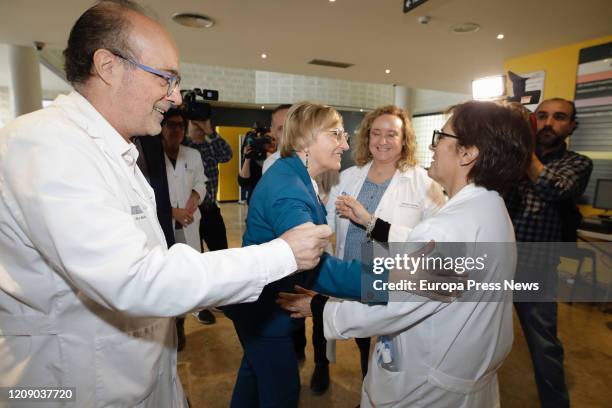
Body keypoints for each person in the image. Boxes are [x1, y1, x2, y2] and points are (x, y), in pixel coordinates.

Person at [0, 2, 330, 407]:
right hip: (75, 384)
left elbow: (424, 273)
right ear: (107, 66)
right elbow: (137, 278)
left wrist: (344, 298)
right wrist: (290, 261)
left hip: (135, 374)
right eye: (166, 79)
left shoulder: (115, 151)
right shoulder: (48, 144)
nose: (175, 97)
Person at [278, 101, 533, 407]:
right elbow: (419, 247)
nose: (433, 146)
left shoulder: (449, 227)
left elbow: (394, 305)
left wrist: (320, 307)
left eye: (442, 137)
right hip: (462, 371)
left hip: (426, 387)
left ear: (468, 153)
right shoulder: (490, 208)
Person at [222, 101, 387, 408]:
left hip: (258, 311)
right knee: (281, 394)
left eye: (344, 135)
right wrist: (395, 278)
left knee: (253, 379)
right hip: (265, 315)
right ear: (306, 139)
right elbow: (319, 267)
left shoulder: (294, 175)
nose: (345, 143)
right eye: (335, 134)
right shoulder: (289, 188)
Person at [324, 105, 445, 383]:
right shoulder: (349, 177)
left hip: (393, 278)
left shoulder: (423, 181)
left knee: (392, 346)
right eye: (376, 133)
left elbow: (436, 239)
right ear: (367, 137)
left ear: (404, 140)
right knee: (362, 338)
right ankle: (368, 382)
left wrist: (370, 221)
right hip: (354, 273)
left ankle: (383, 391)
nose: (382, 141)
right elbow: (328, 225)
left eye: (392, 134)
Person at [505, 98, 593, 408]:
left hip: (535, 268)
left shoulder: (577, 163)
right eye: (541, 116)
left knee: (543, 346)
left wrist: (521, 151)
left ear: (571, 127)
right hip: (495, 264)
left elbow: (555, 188)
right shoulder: (510, 160)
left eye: (558, 117)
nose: (547, 123)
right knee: (475, 337)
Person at [160, 108, 207, 349]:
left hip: (189, 221)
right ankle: (170, 322)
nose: (175, 130)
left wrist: (192, 202)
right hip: (163, 224)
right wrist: (172, 212)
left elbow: (201, 182)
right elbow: (148, 190)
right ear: (162, 126)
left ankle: (182, 319)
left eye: (180, 125)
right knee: (167, 274)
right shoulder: (150, 154)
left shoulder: (192, 154)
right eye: (170, 124)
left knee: (187, 271)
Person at [183, 105, 232, 325]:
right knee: (193, 258)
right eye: (196, 123)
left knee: (220, 255)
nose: (200, 127)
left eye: (203, 122)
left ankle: (220, 298)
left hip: (211, 210)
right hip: (189, 213)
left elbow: (228, 155)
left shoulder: (212, 146)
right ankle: (198, 305)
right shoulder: (183, 147)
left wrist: (211, 132)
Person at [262, 104, 292, 173]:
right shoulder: (272, 163)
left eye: (291, 126)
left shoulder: (316, 156)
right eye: (281, 128)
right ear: (272, 131)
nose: (287, 132)